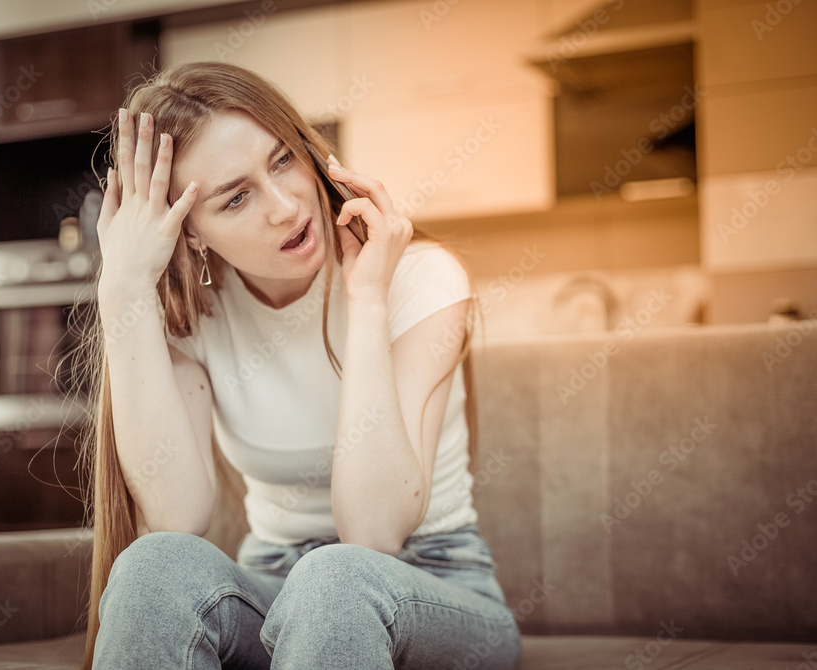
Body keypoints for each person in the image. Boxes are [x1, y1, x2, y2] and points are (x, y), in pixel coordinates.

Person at [81, 61, 521, 669]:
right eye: (236, 198)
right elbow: (179, 517)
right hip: (278, 591)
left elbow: (373, 534)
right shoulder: (196, 317)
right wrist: (124, 292)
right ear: (191, 234)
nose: (286, 207)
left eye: (283, 159)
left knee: (337, 578)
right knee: (153, 567)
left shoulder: (420, 279)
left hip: (435, 585)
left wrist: (367, 300)